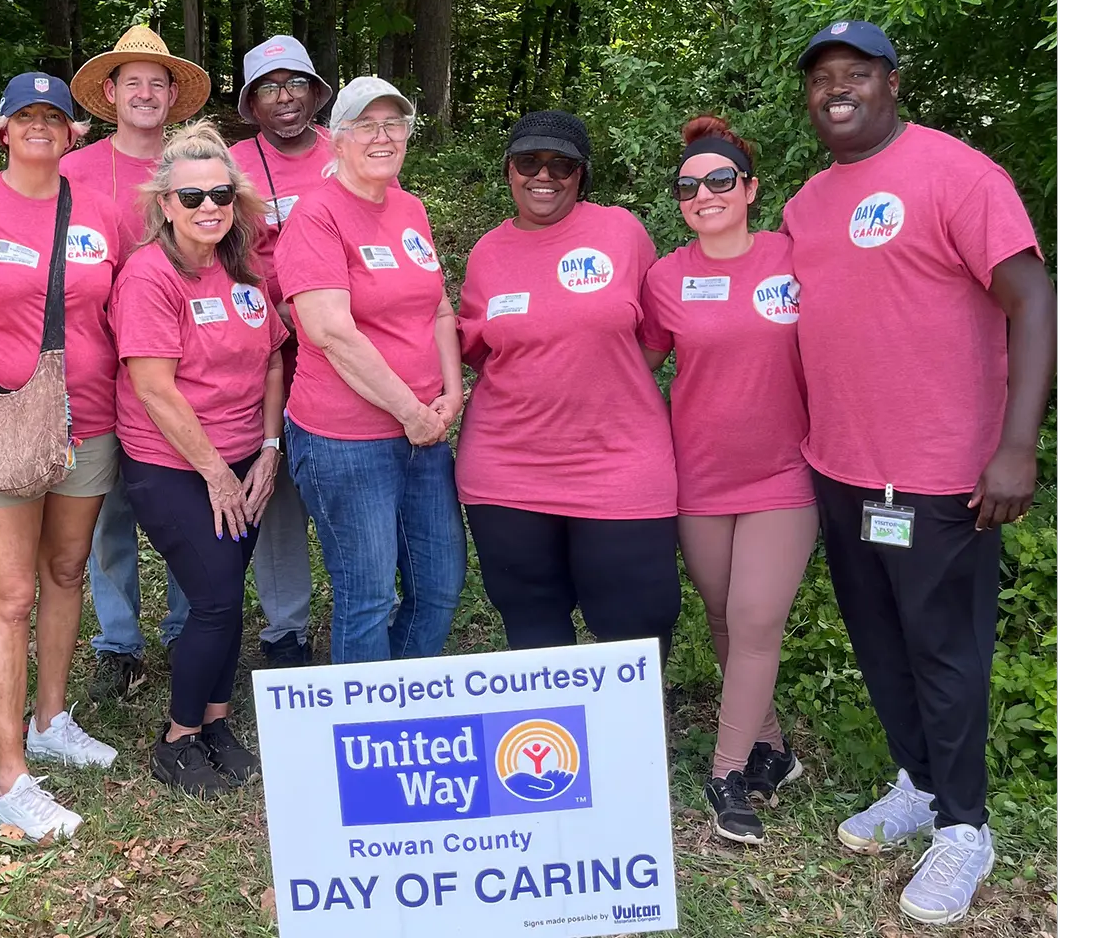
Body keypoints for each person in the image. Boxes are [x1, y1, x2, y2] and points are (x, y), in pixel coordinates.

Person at [784, 21, 1056, 925]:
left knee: (946, 652)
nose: (836, 91)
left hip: (943, 476)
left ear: (892, 83)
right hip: (843, 468)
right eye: (822, 79)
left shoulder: (959, 173)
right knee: (881, 642)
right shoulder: (808, 204)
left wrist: (1017, 444)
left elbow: (1033, 299)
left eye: (854, 74)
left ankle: (967, 828)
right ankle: (921, 785)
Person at [0, 73, 127, 841]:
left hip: (90, 421)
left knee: (67, 572)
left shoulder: (100, 214)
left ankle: (49, 719)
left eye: (55, 116)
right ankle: (10, 777)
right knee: (8, 597)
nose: (40, 126)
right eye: (25, 115)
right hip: (1, 424)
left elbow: (122, 309)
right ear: (0, 128)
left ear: (75, 132)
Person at [637, 116, 816, 846]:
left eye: (719, 180)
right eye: (689, 184)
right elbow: (633, 369)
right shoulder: (666, 278)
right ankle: (774, 748)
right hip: (698, 478)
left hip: (785, 473)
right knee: (721, 616)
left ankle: (727, 771)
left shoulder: (792, 258)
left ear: (749, 188)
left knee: (754, 620)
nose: (703, 193)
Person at [455, 111, 681, 663]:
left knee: (637, 628)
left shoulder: (621, 232)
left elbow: (655, 336)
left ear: (581, 176)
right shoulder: (488, 252)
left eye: (562, 165)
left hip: (619, 463)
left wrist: (600, 377)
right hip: (507, 470)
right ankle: (552, 746)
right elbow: (477, 350)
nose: (544, 175)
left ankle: (629, 748)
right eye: (529, 161)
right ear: (509, 170)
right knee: (533, 631)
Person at [111, 121, 287, 795]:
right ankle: (177, 739)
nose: (208, 206)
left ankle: (215, 721)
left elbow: (273, 357)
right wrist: (216, 473)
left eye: (220, 193)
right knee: (213, 600)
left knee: (226, 599)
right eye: (191, 197)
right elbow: (155, 388)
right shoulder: (149, 276)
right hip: (174, 466)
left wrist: (268, 450)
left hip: (246, 458)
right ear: (164, 204)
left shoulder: (241, 267)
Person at [274, 77, 465, 665]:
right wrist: (410, 410)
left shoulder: (409, 207)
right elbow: (331, 331)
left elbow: (436, 304)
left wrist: (452, 393)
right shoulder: (317, 217)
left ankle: (401, 703)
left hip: (424, 432)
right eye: (365, 125)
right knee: (369, 596)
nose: (383, 136)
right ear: (334, 138)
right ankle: (360, 732)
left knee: (439, 587)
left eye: (394, 124)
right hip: (346, 441)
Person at [64, 25, 211, 701]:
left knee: (184, 503)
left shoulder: (200, 166)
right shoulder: (73, 171)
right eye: (133, 83)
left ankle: (189, 628)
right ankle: (118, 642)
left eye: (158, 82)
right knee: (108, 512)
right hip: (98, 367)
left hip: (186, 367)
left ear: (173, 94)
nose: (146, 93)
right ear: (111, 94)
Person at [226, 35, 336, 668]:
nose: (284, 97)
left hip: (341, 352)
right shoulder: (234, 163)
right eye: (268, 86)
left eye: (295, 82)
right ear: (251, 101)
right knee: (275, 494)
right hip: (263, 352)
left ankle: (359, 611)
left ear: (315, 91)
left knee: (347, 491)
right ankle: (285, 629)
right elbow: (216, 251)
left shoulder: (345, 151)